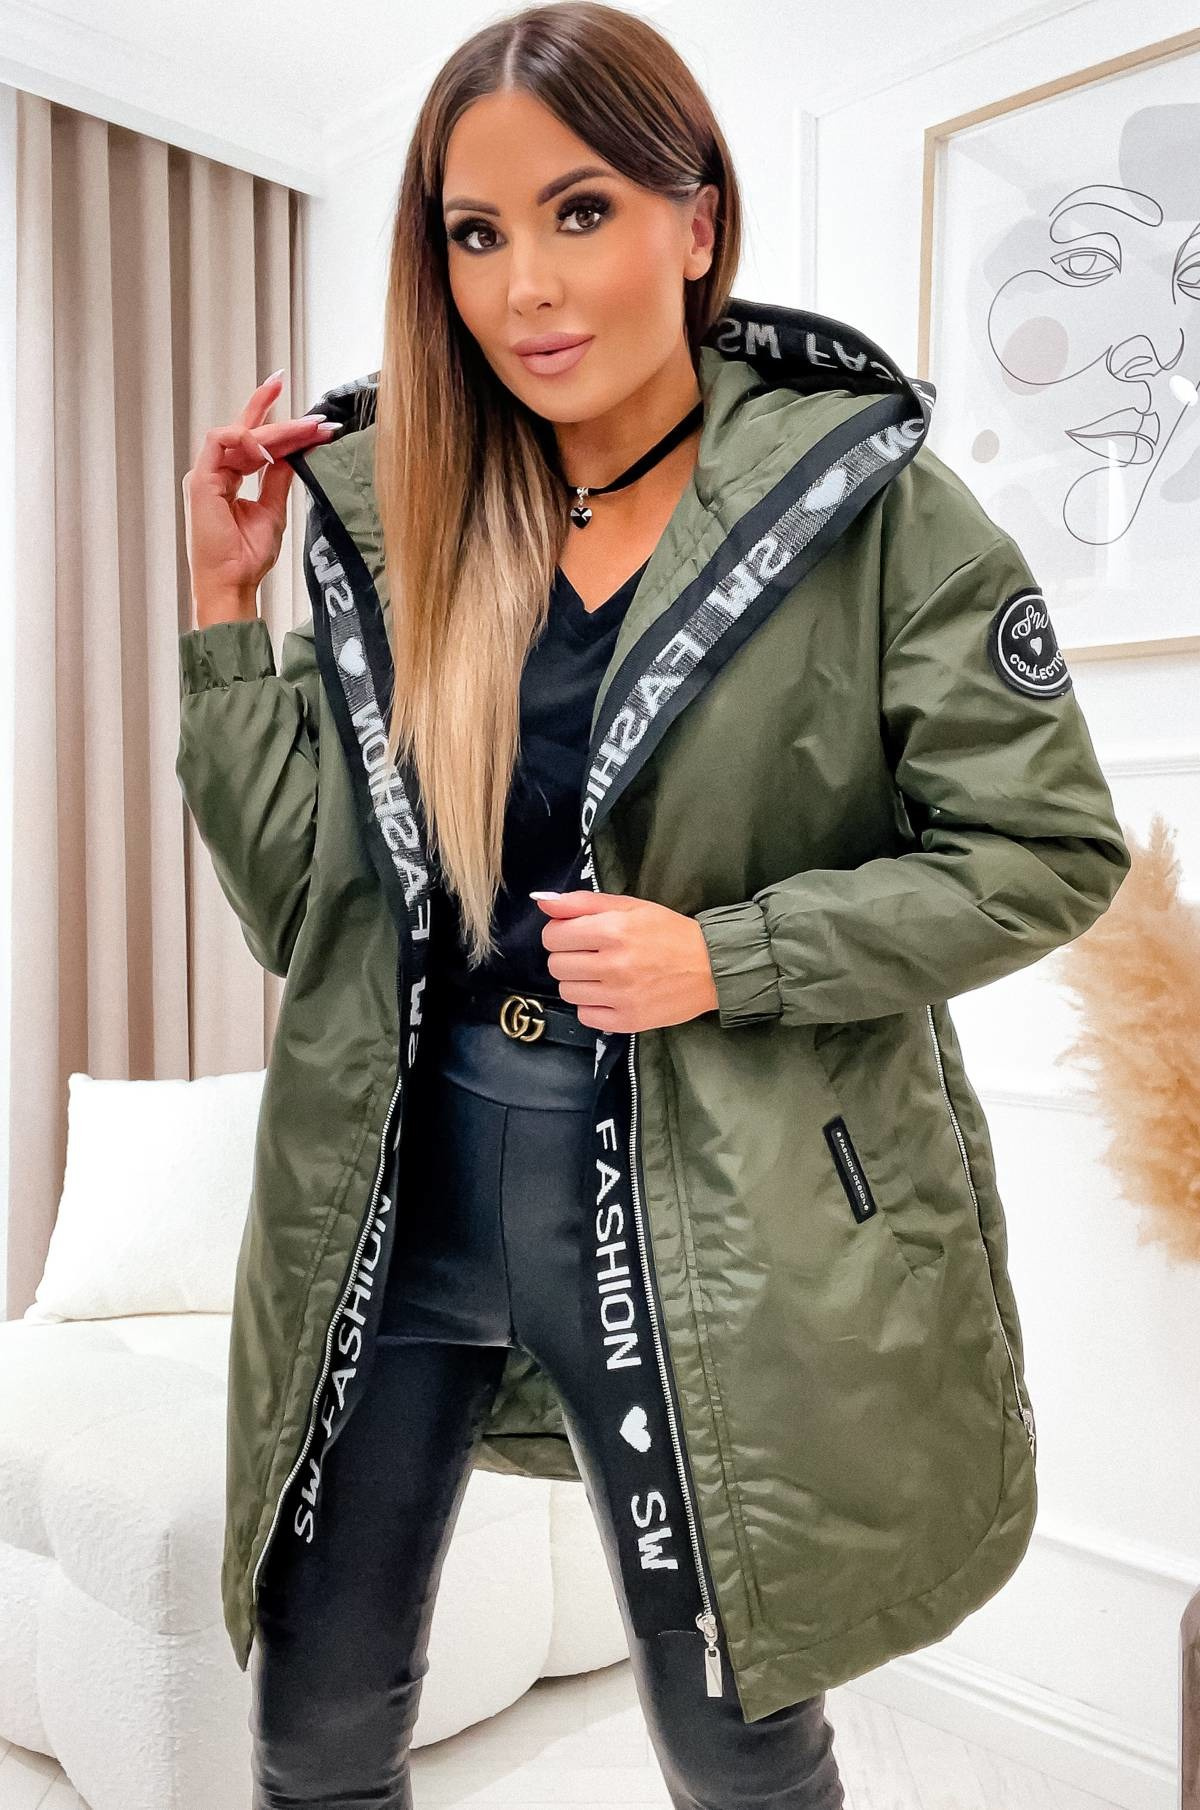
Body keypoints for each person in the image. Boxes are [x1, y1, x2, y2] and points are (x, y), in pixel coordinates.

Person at [174, 4, 1132, 1805]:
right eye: (476, 233)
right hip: (394, 1183)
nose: (526, 285)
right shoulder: (412, 522)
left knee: (733, 1734)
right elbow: (304, 913)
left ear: (697, 222)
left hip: (699, 1192)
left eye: (581, 211)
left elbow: (1047, 849)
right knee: (313, 1724)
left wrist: (727, 956)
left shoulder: (870, 512)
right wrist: (228, 620)